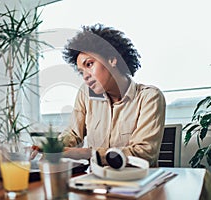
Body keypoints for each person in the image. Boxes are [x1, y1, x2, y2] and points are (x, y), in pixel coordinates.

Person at [59, 23, 166, 167]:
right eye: (81, 71)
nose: (85, 76)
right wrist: (52, 147)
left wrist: (86, 153)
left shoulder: (150, 98)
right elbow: (73, 133)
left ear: (112, 59)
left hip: (136, 182)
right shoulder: (85, 94)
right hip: (96, 181)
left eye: (89, 64)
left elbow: (143, 154)